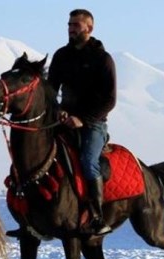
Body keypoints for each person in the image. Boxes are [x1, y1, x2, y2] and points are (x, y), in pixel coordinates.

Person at [48, 9, 117, 236]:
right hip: (64, 119)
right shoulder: (61, 56)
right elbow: (51, 91)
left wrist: (83, 119)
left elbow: (110, 99)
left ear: (89, 28)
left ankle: (97, 217)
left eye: (76, 25)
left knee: (88, 161)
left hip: (93, 123)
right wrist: (58, 111)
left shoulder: (102, 59)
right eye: (69, 24)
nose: (71, 29)